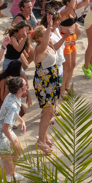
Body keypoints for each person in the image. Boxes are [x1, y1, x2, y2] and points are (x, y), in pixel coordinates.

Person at [31, 16, 64, 155]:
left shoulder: (49, 45)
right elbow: (44, 44)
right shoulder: (40, 48)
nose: (49, 34)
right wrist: (49, 26)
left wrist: (63, 36)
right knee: (48, 112)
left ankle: (43, 136)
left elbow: (55, 48)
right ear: (40, 38)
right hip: (44, 83)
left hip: (52, 82)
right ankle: (41, 141)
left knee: (50, 111)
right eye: (46, 33)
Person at [0, 76, 28, 181]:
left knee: (18, 150)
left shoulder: (12, 95)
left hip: (5, 129)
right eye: (25, 85)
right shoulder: (13, 106)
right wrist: (12, 142)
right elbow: (4, 129)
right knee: (8, 168)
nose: (27, 86)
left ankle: (12, 175)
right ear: (20, 90)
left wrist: (21, 120)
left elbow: (10, 115)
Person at [57, 0, 88, 96]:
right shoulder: (64, 12)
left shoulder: (73, 9)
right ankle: (61, 89)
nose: (76, 3)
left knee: (73, 65)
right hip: (65, 38)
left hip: (73, 38)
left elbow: (86, 1)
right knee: (66, 66)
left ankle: (67, 85)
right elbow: (70, 7)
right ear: (67, 3)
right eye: (74, 1)